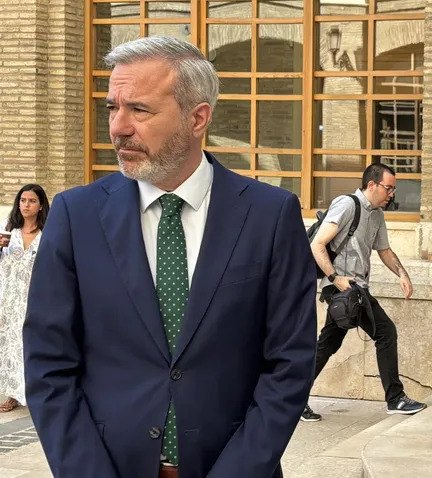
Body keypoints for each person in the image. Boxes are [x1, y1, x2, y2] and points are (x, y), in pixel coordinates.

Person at [23, 36, 317, 478]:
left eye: (139, 110)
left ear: (197, 118)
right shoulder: (76, 215)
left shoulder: (270, 216)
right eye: (112, 108)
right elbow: (48, 364)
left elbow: (290, 365)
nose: (118, 127)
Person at [301, 163, 426, 421]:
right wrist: (335, 279)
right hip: (344, 289)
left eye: (393, 189)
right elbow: (318, 244)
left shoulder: (377, 214)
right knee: (385, 332)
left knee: (328, 344)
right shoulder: (347, 205)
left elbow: (385, 251)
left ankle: (293, 398)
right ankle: (395, 398)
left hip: (355, 288)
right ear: (372, 185)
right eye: (388, 188)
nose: (391, 194)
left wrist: (402, 274)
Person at [0, 184, 49, 413]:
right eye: (22, 200)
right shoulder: (8, 229)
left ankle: (34, 391)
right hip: (9, 296)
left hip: (36, 295)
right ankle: (13, 393)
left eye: (31, 201)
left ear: (40, 205)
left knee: (33, 342)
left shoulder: (47, 233)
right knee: (11, 343)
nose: (26, 205)